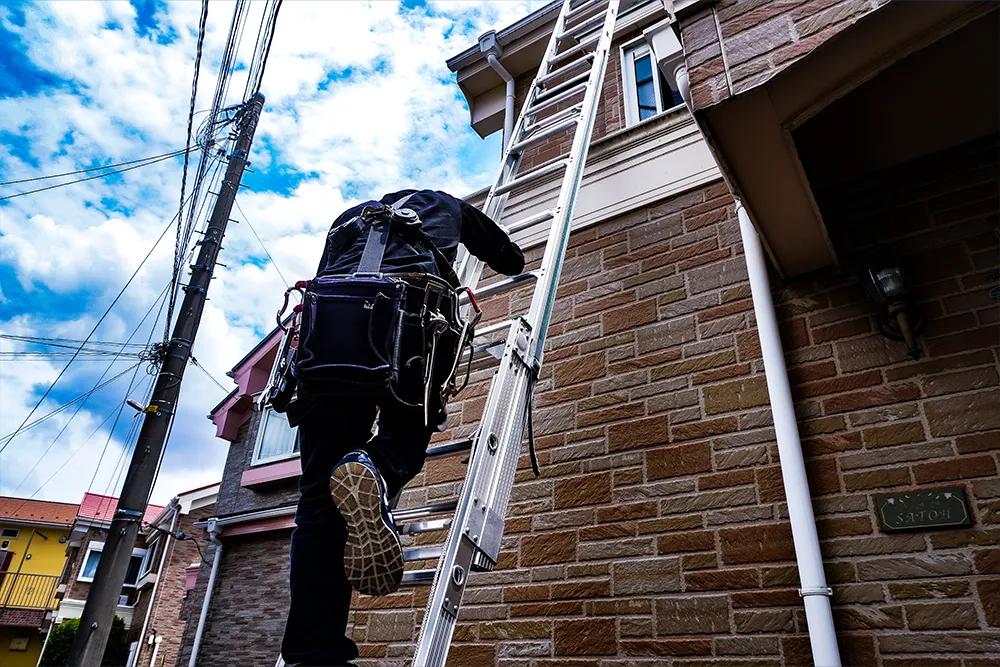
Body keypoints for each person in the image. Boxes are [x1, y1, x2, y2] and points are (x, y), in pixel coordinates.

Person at [280, 189, 525, 667]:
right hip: (411, 327)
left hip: (327, 343)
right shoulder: (447, 205)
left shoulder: (347, 218)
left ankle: (314, 654)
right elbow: (510, 261)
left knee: (316, 507)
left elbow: (332, 278)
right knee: (407, 436)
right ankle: (374, 464)